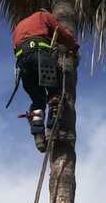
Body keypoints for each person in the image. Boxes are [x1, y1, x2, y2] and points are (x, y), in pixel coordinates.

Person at [12, 10, 79, 152]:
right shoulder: (43, 16)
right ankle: (56, 129)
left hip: (22, 62)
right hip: (40, 55)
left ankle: (38, 133)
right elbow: (59, 31)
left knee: (38, 100)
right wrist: (73, 47)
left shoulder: (18, 26)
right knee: (55, 92)